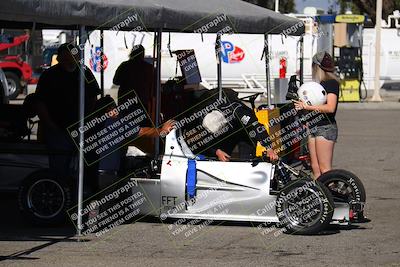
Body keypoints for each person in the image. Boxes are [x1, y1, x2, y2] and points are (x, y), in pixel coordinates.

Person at [35, 43, 101, 178]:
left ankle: (85, 191)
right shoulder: (49, 75)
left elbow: (94, 97)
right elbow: (39, 102)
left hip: (82, 128)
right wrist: (50, 124)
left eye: (73, 55)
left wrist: (88, 120)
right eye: (66, 56)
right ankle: (61, 193)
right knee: (59, 166)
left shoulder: (85, 73)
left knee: (87, 163)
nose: (70, 59)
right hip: (58, 129)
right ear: (59, 58)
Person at [294, 51, 340, 178]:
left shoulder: (331, 83)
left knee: (325, 169)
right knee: (315, 168)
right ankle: (320, 196)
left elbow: (330, 107)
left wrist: (307, 106)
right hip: (313, 127)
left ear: (316, 66)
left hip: (325, 127)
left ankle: (332, 195)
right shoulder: (318, 85)